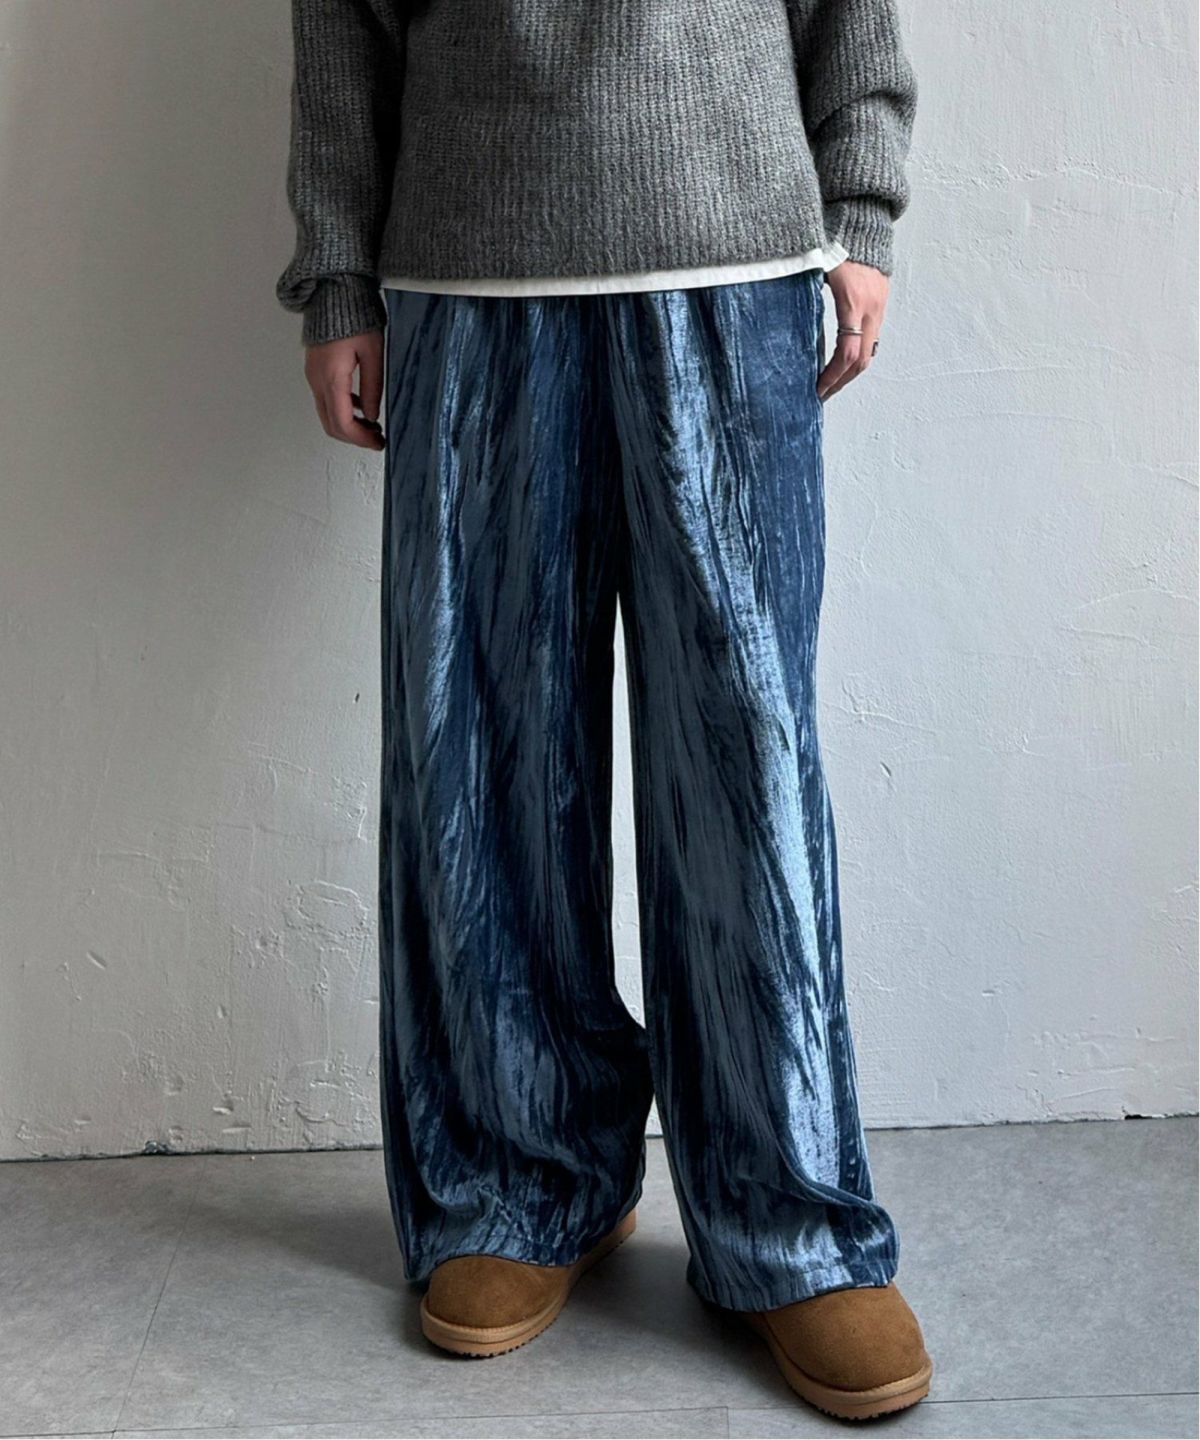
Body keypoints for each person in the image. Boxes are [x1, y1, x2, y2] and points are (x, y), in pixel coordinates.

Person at [277, 0, 929, 1421]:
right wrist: (337, 280)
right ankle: (522, 1180)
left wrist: (860, 211)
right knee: (480, 764)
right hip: (467, 276)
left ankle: (788, 1215)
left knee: (744, 759)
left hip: (734, 262)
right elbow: (341, 24)